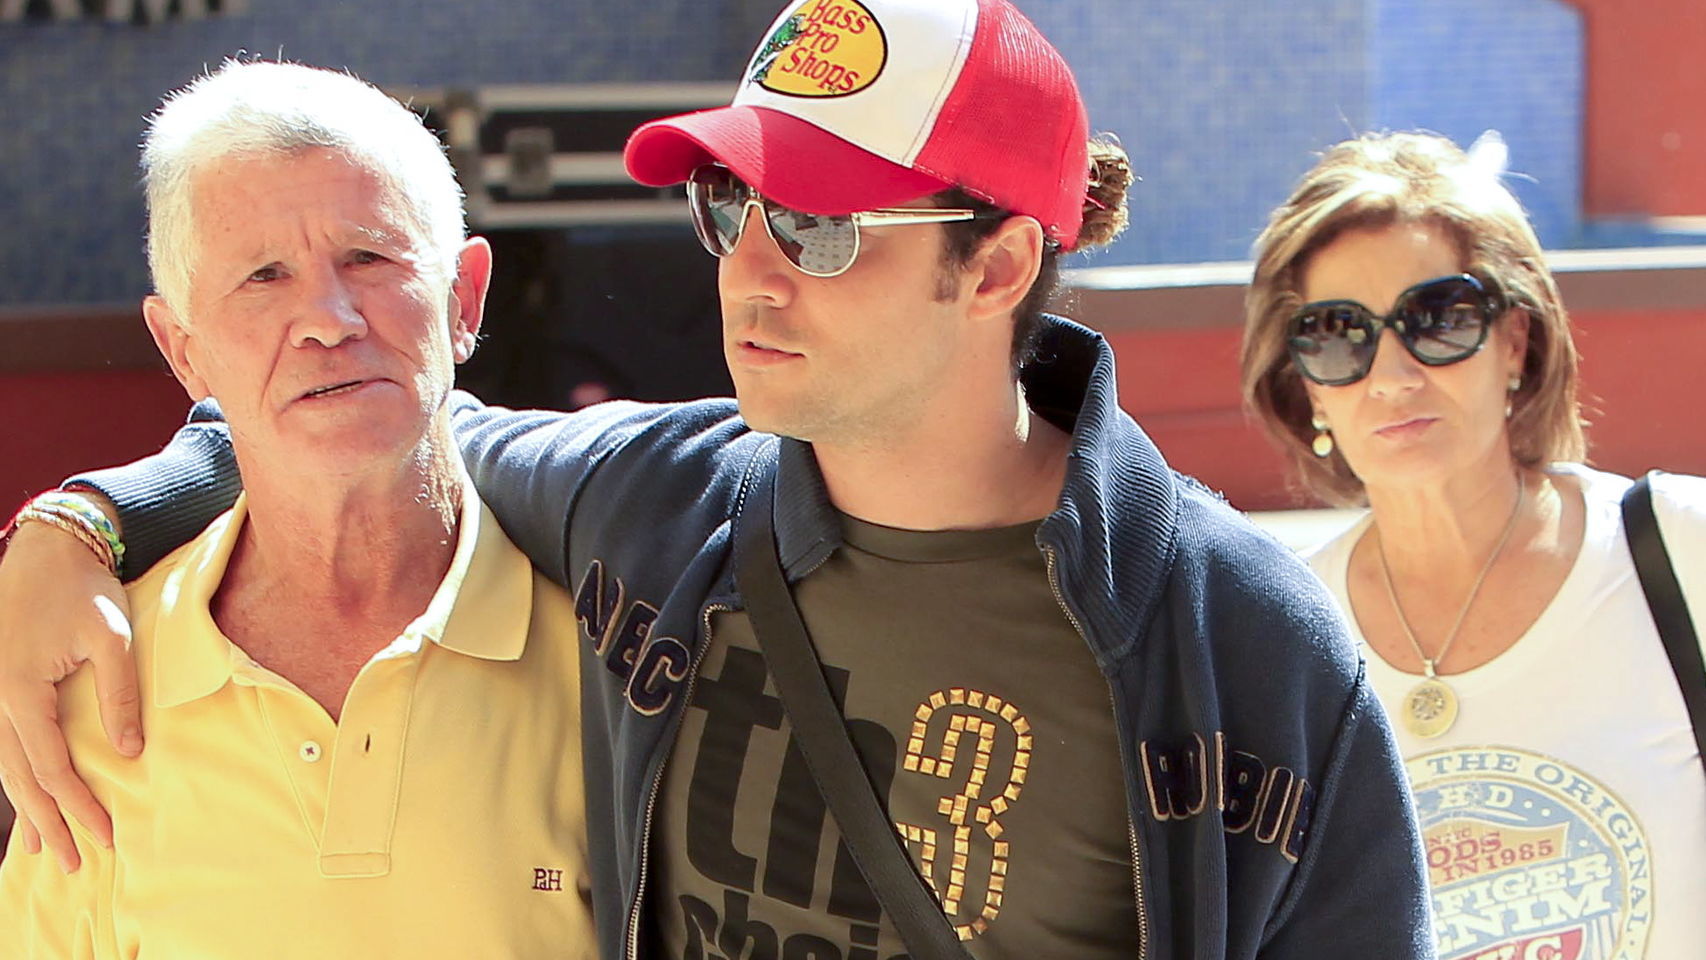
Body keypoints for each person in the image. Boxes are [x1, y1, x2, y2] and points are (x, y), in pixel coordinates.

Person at [0, 2, 1434, 957]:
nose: (742, 268)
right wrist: (81, 522)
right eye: (730, 204)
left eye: (815, 226)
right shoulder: (660, 503)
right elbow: (372, 413)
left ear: (992, 265)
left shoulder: (1239, 648)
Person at [0, 61, 594, 957]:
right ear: (182, 349)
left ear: (464, 300)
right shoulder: (89, 690)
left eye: (368, 257)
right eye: (263, 276)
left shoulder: (625, 662)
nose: (327, 318)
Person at [1241, 130, 1706, 960]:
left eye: (1437, 319)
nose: (1391, 374)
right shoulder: (1279, 642)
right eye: (1338, 334)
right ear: (1305, 383)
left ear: (1515, 342)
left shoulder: (1677, 551)